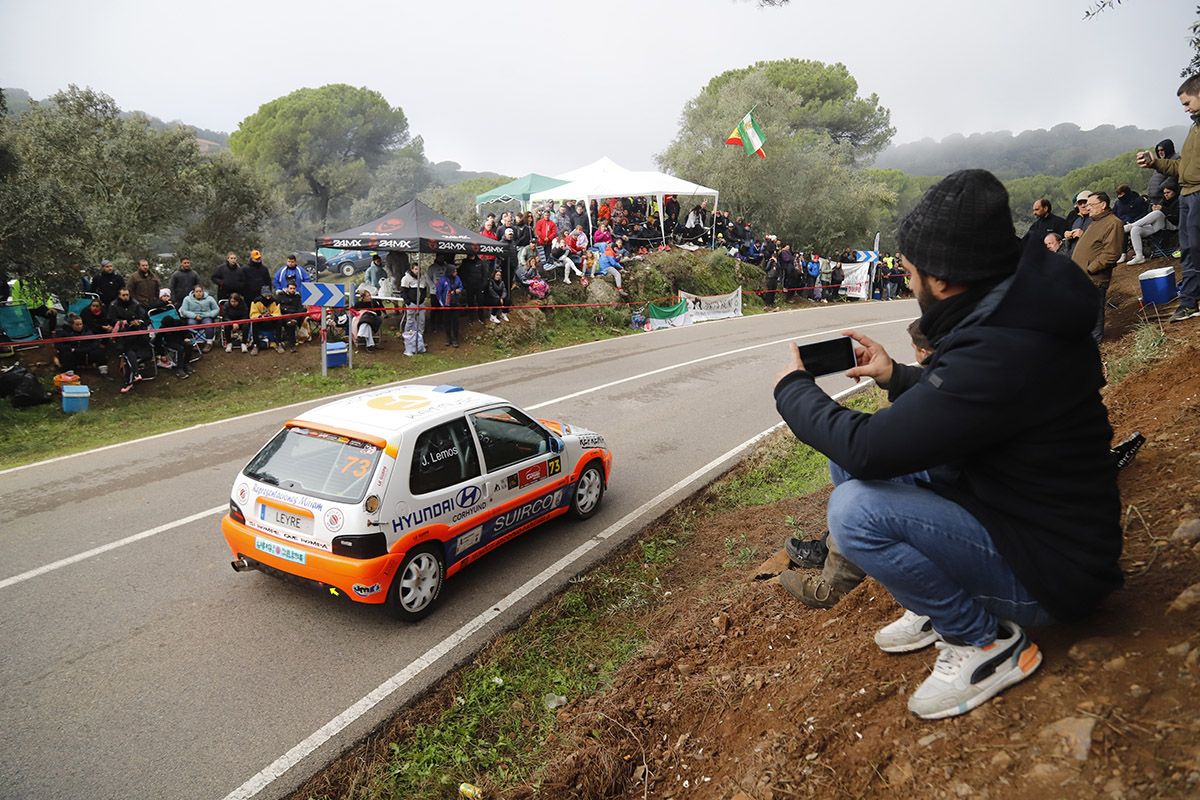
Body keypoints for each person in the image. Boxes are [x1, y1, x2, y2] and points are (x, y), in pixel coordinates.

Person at [774, 169, 1121, 720]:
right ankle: (937, 606)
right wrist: (896, 377)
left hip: (1054, 571)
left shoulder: (1003, 346)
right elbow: (972, 406)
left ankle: (982, 643)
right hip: (1020, 509)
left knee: (856, 507)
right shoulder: (1018, 302)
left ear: (941, 280)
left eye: (910, 274)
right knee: (848, 472)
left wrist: (792, 392)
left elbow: (872, 447)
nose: (909, 286)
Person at [1138, 73, 1200, 322]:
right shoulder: (1194, 129)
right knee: (1188, 250)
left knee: (1196, 248)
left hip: (1197, 195)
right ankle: (1189, 302)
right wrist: (1154, 163)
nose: (1185, 109)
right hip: (1187, 195)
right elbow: (1181, 169)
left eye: (1187, 103)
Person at [1070, 191, 1124, 344]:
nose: (1088, 208)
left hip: (1094, 278)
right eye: (1087, 205)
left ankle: (1095, 342)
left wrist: (1091, 268)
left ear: (1103, 205)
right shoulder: (1096, 222)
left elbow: (1112, 253)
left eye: (1091, 205)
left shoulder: (1113, 223)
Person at [107, 286, 152, 393]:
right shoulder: (113, 306)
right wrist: (125, 322)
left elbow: (144, 317)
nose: (126, 297)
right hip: (122, 336)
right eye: (123, 295)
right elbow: (111, 319)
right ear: (119, 296)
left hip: (137, 335)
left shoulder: (135, 304)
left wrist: (138, 321)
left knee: (134, 354)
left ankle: (133, 376)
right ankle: (133, 377)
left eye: (127, 295)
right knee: (128, 354)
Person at [1126, 181, 1180, 265]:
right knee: (1135, 229)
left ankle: (1129, 226)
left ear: (1175, 192)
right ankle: (1139, 256)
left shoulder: (1179, 201)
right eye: (1164, 193)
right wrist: (1153, 209)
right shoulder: (1163, 201)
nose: (1166, 195)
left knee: (1158, 213)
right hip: (1159, 225)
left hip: (1172, 225)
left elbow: (1176, 217)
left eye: (1168, 192)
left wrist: (1162, 210)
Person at [399, 260, 429, 356]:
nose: (417, 271)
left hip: (421, 303)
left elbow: (424, 290)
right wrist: (408, 303)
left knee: (421, 322)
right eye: (416, 269)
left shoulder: (422, 278)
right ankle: (407, 341)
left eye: (419, 269)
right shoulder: (406, 279)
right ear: (412, 269)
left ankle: (419, 341)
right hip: (411, 303)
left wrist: (422, 300)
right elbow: (403, 292)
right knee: (410, 321)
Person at [436, 264, 464, 347]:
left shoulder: (458, 278)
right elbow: (438, 292)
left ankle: (455, 338)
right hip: (446, 304)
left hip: (456, 303)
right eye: (454, 271)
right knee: (447, 322)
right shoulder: (442, 280)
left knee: (456, 322)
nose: (456, 272)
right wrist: (442, 304)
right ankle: (448, 338)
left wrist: (459, 290)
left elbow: (461, 287)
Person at [274, 281, 305, 352]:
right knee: (278, 323)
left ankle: (292, 345)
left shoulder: (297, 297)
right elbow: (277, 306)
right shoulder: (280, 296)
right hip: (282, 316)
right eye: (291, 288)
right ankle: (278, 344)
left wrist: (295, 318)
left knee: (292, 324)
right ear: (287, 288)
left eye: (294, 288)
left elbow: (300, 308)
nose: (292, 290)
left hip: (294, 316)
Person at [352, 286, 384, 352]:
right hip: (361, 320)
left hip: (372, 319)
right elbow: (353, 312)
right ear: (363, 297)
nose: (370, 297)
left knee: (367, 320)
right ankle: (370, 345)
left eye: (370, 295)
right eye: (368, 296)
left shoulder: (374, 303)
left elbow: (379, 314)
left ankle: (361, 335)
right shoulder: (358, 304)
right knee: (367, 324)